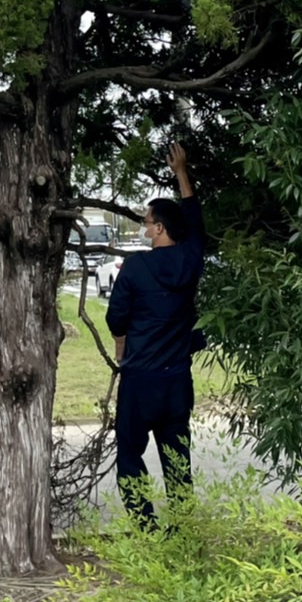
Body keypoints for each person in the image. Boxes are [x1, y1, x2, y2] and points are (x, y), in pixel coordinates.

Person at [105, 141, 206, 526]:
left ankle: (146, 528)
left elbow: (117, 318)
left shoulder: (135, 268)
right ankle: (181, 528)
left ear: (160, 228)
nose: (144, 227)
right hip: (177, 381)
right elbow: (195, 221)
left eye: (147, 222)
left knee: (130, 454)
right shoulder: (191, 260)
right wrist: (182, 173)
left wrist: (120, 343)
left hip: (140, 380)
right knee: (177, 458)